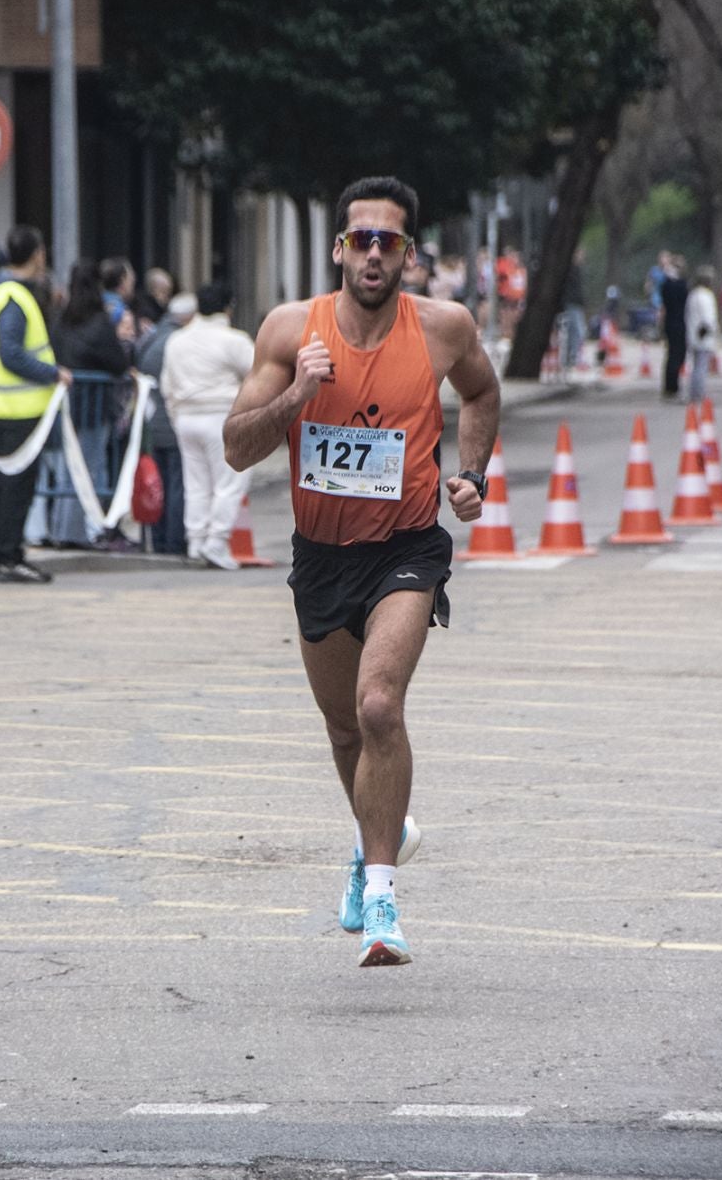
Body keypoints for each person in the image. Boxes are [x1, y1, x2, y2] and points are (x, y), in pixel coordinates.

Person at [222, 176, 500, 968]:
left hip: (406, 549)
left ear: (409, 257)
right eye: (361, 239)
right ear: (339, 249)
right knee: (345, 728)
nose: (374, 253)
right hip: (321, 556)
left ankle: (381, 899)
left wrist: (471, 475)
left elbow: (481, 391)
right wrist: (299, 395)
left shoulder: (444, 328)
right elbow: (236, 445)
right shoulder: (289, 332)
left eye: (390, 241)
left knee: (379, 705)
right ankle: (371, 839)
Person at [0, 225, 69, 583]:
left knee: (3, 486)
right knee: (15, 489)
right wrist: (52, 373)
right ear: (38, 255)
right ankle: (8, 555)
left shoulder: (2, 293)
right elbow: (11, 353)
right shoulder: (14, 297)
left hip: (2, 407)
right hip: (16, 411)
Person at [164, 281, 255, 570]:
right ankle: (216, 541)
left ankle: (195, 541)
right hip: (221, 415)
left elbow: (167, 385)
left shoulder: (177, 340)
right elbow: (258, 377)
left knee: (197, 484)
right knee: (230, 481)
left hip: (186, 418)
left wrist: (176, 416)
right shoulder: (234, 340)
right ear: (228, 307)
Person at [45, 261, 132, 550]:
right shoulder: (99, 322)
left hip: (64, 404)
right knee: (88, 469)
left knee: (67, 469)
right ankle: (79, 531)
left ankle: (64, 529)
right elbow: (118, 361)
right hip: (92, 406)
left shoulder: (61, 319)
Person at [134, 290, 195, 556]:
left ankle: (158, 540)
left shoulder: (151, 337)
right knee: (176, 485)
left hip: (151, 424)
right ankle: (174, 541)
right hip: (172, 421)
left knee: (158, 485)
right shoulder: (179, 341)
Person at [685, 265, 719, 404]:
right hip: (703, 335)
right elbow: (708, 318)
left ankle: (694, 392)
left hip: (693, 334)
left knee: (696, 366)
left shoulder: (693, 294)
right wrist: (710, 331)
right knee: (701, 367)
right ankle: (699, 393)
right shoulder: (706, 296)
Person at [660, 256, 690, 402]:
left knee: (674, 354)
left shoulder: (667, 284)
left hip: (672, 323)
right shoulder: (675, 285)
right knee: (676, 355)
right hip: (677, 323)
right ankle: (672, 386)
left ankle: (671, 385)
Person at [558, 245, 588, 374]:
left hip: (576, 304)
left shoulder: (577, 270)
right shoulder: (570, 270)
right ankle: (572, 357)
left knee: (574, 331)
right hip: (571, 304)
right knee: (576, 331)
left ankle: (570, 357)